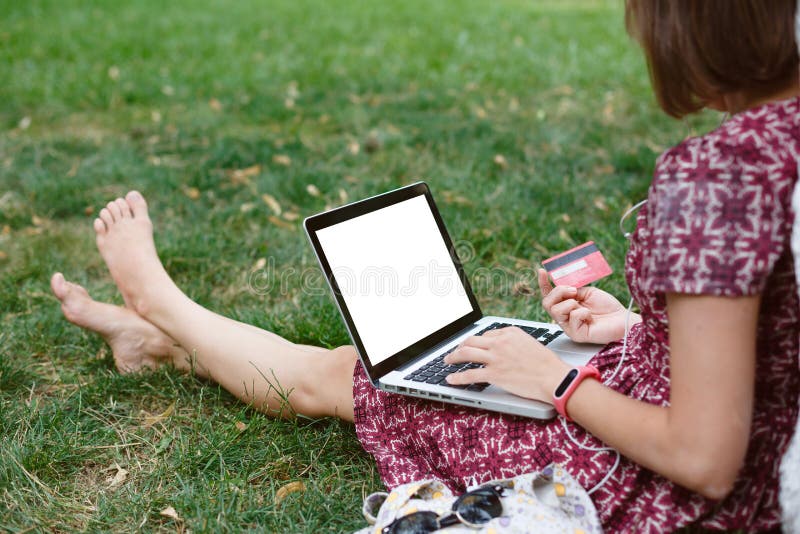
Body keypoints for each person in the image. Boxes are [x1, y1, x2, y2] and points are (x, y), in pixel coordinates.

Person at [50, 0, 799, 530]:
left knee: (342, 375)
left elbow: (703, 459)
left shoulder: (721, 173)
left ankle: (159, 303)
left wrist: (556, 381)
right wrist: (637, 330)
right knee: (416, 361)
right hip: (757, 460)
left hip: (657, 491)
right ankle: (156, 343)